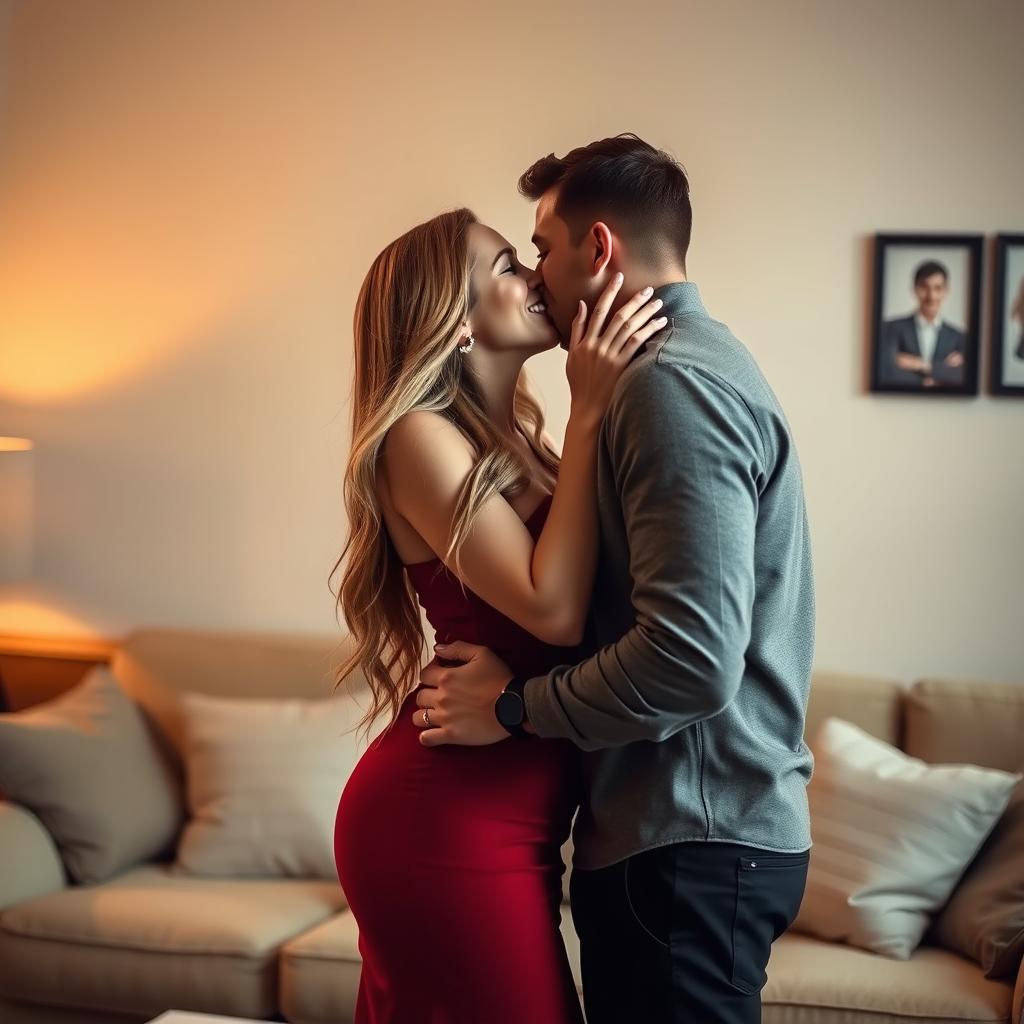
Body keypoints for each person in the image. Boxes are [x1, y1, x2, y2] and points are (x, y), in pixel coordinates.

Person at [414, 134, 816, 1024]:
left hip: (686, 837)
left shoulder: (667, 385)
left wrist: (515, 706)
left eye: (543, 250)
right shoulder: (689, 366)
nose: (537, 276)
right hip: (691, 835)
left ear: (598, 250)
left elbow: (691, 661)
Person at [330, 206, 666, 1023]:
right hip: (443, 814)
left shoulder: (524, 440)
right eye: (508, 266)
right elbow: (552, 612)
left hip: (521, 805)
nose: (533, 278)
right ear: (456, 321)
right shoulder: (418, 437)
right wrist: (591, 407)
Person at [880, 259, 967, 387]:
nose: (931, 296)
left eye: (938, 288)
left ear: (946, 291)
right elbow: (887, 372)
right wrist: (939, 373)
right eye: (924, 287)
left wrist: (922, 365)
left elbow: (962, 376)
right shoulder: (890, 328)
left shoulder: (959, 337)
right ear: (914, 289)